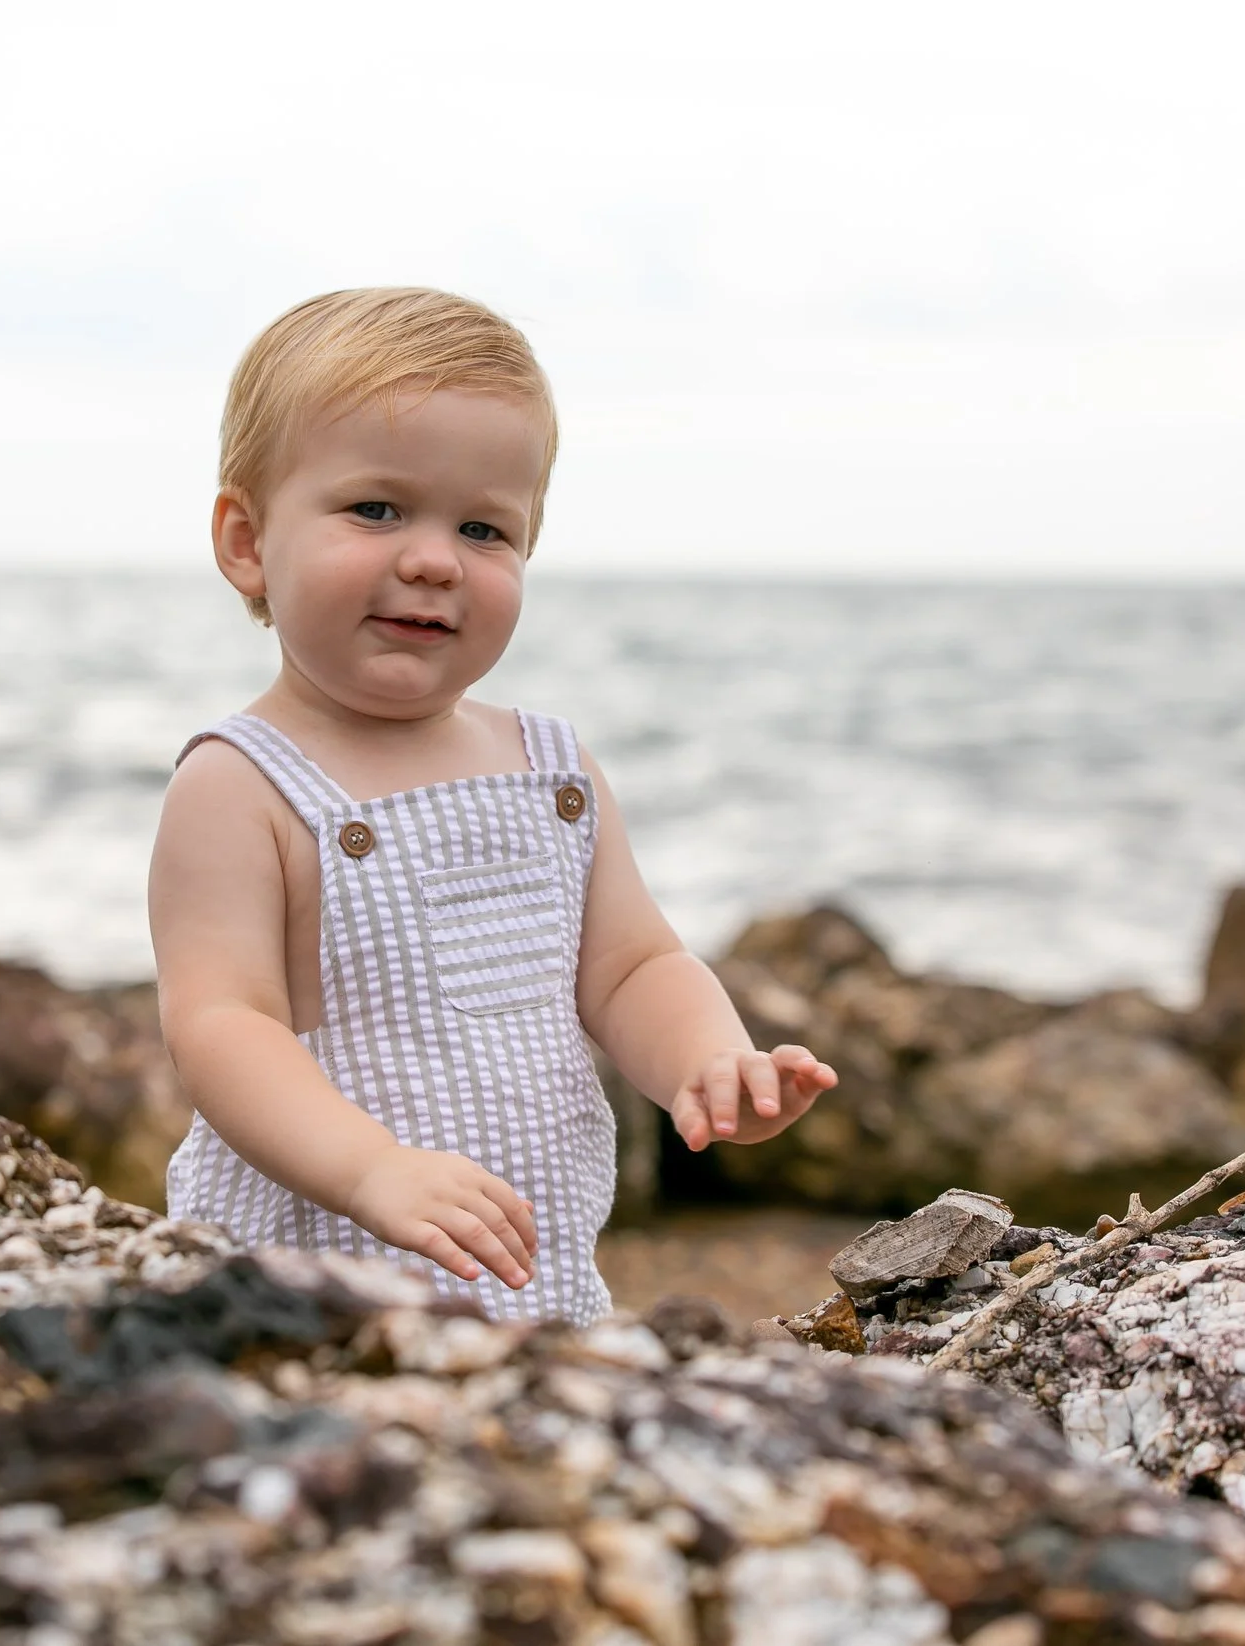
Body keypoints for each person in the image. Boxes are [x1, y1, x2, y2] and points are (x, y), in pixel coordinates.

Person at [149, 287, 836, 1323]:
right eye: (375, 508)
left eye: (483, 527)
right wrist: (372, 1167)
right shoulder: (242, 782)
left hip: (535, 1280)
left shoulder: (551, 771)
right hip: (308, 1277)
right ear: (246, 541)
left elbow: (632, 965)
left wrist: (707, 1061)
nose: (432, 557)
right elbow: (222, 1023)